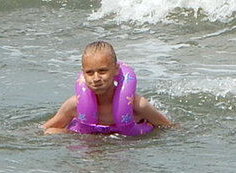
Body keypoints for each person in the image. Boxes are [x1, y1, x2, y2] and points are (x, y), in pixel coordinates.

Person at [42, 41, 173, 134]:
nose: (96, 78)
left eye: (102, 71)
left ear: (116, 70)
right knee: (51, 132)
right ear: (83, 74)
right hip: (91, 151)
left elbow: (168, 128)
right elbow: (44, 128)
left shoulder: (137, 106)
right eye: (90, 73)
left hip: (124, 152)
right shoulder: (74, 105)